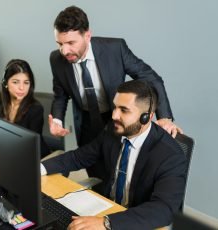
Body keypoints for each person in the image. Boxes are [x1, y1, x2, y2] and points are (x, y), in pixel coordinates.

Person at [41, 80, 187, 230]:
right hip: (107, 207)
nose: (114, 115)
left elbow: (163, 209)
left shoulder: (170, 155)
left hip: (136, 222)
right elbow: (79, 157)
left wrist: (107, 222)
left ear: (146, 117)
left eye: (124, 110)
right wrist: (39, 168)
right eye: (115, 107)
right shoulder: (114, 130)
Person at [48, 5, 183, 147]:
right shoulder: (56, 59)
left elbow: (152, 79)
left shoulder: (115, 49)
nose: (64, 51)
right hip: (85, 125)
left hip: (117, 118)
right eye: (60, 44)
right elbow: (60, 94)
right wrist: (57, 120)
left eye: (70, 43)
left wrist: (165, 117)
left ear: (87, 36)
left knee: (118, 165)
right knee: (91, 166)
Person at [0, 59, 50, 158]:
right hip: (7, 151)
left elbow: (32, 145)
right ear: (5, 82)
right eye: (16, 82)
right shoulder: (1, 99)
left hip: (33, 157)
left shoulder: (35, 109)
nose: (22, 88)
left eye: (26, 83)